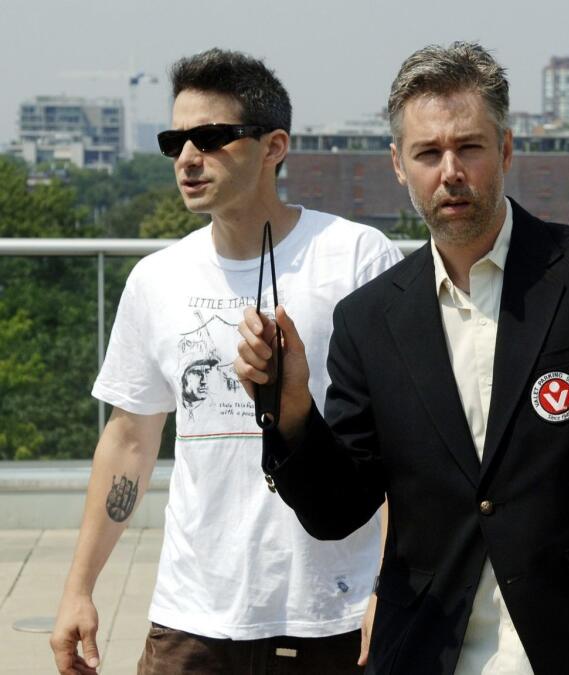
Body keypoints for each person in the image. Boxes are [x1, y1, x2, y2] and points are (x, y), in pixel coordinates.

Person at [234, 42, 569, 674]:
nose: (450, 171)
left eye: (470, 148)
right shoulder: (370, 319)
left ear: (506, 151)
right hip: (430, 641)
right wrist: (292, 413)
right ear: (400, 167)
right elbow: (336, 510)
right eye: (428, 153)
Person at [50, 48, 400, 675]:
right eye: (175, 140)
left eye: (211, 138)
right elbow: (130, 439)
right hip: (194, 619)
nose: (188, 158)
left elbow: (405, 439)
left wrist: (389, 584)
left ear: (274, 147)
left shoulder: (355, 258)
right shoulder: (156, 279)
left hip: (331, 614)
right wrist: (79, 587)